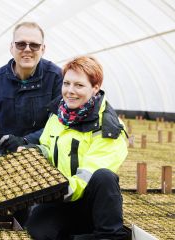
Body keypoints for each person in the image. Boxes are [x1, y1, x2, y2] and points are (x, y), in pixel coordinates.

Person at [19, 56, 129, 239]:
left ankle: (110, 235)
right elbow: (48, 148)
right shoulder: (58, 117)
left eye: (79, 85)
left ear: (95, 88)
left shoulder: (109, 127)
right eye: (67, 83)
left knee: (104, 177)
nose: (70, 91)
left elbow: (90, 173)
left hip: (89, 202)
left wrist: (56, 191)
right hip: (61, 197)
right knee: (37, 231)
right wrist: (34, 153)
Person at [0, 22, 63, 159]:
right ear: (11, 47)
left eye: (34, 45)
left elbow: (61, 122)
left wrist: (27, 141)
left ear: (43, 49)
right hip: (5, 158)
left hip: (45, 158)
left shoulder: (57, 78)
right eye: (21, 44)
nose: (27, 49)